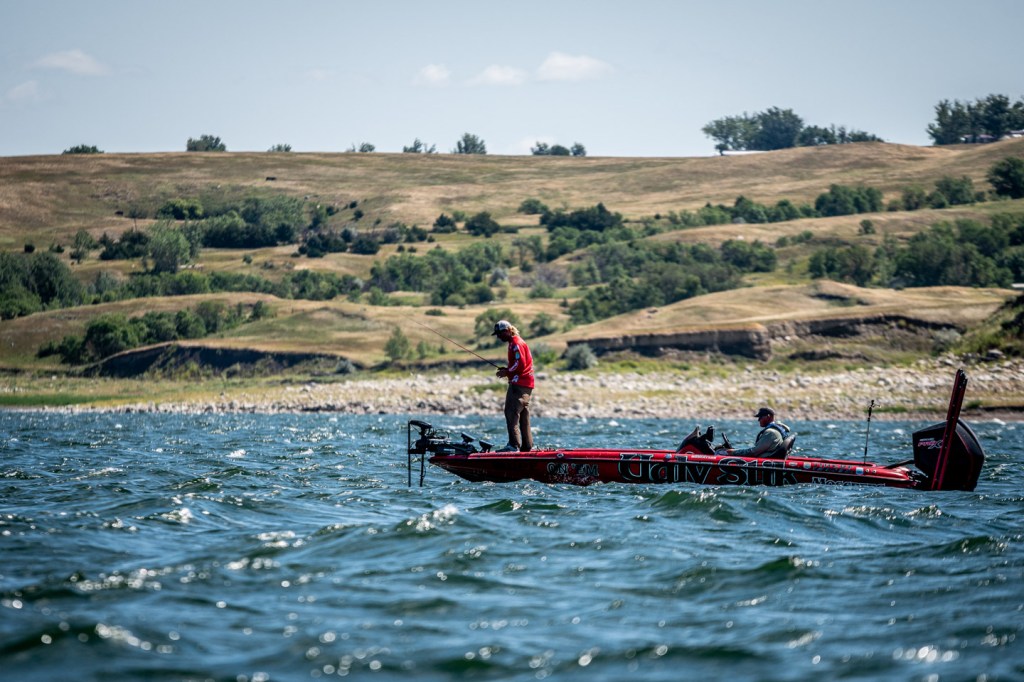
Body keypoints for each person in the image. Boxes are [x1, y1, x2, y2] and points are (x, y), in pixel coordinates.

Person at [492, 320, 534, 452]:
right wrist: (508, 370)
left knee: (511, 412)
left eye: (500, 334)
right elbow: (518, 364)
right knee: (523, 414)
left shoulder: (516, 343)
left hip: (519, 384)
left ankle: (513, 445)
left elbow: (520, 364)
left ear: (508, 331)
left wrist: (507, 372)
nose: (498, 337)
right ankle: (527, 447)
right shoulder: (514, 343)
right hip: (525, 383)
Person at [724, 406, 792, 459]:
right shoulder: (775, 430)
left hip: (766, 461)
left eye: (760, 417)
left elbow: (754, 452)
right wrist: (736, 451)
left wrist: (734, 452)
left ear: (768, 417)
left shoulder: (771, 433)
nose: (758, 420)